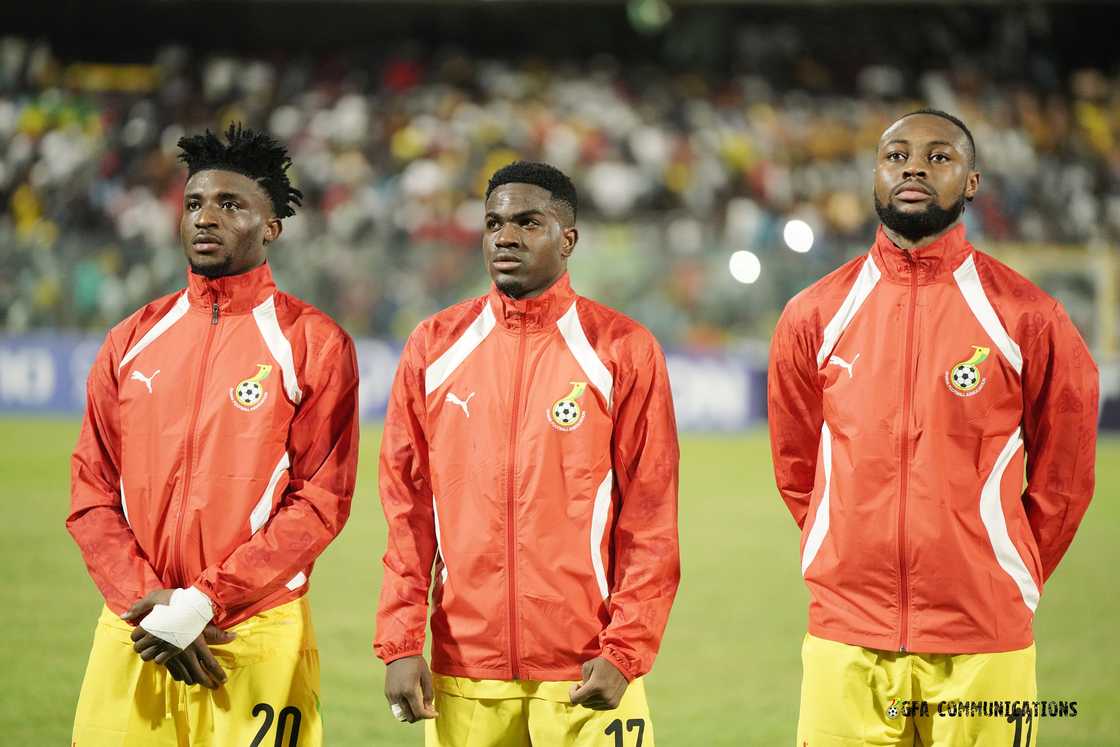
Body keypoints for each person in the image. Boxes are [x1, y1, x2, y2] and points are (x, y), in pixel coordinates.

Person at [768, 109, 1099, 747]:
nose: (914, 166)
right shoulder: (812, 313)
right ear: (874, 175)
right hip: (846, 631)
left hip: (982, 636)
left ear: (972, 181)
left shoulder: (1030, 315)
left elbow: (1066, 477)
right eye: (896, 156)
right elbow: (797, 465)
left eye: (938, 156)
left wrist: (1010, 572)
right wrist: (845, 553)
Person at [67, 123, 359, 746]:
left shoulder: (313, 343)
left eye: (231, 205)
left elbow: (320, 501)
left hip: (249, 633)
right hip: (136, 629)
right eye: (195, 203)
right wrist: (150, 599)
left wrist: (203, 602)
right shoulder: (130, 339)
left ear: (271, 227)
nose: (206, 217)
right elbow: (91, 491)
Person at [375, 161, 680, 746]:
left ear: (568, 239)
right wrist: (400, 641)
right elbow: (408, 512)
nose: (505, 237)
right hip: (465, 670)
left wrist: (626, 650)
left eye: (527, 223)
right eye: (494, 223)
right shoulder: (434, 346)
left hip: (588, 665)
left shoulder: (622, 348)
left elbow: (651, 519)